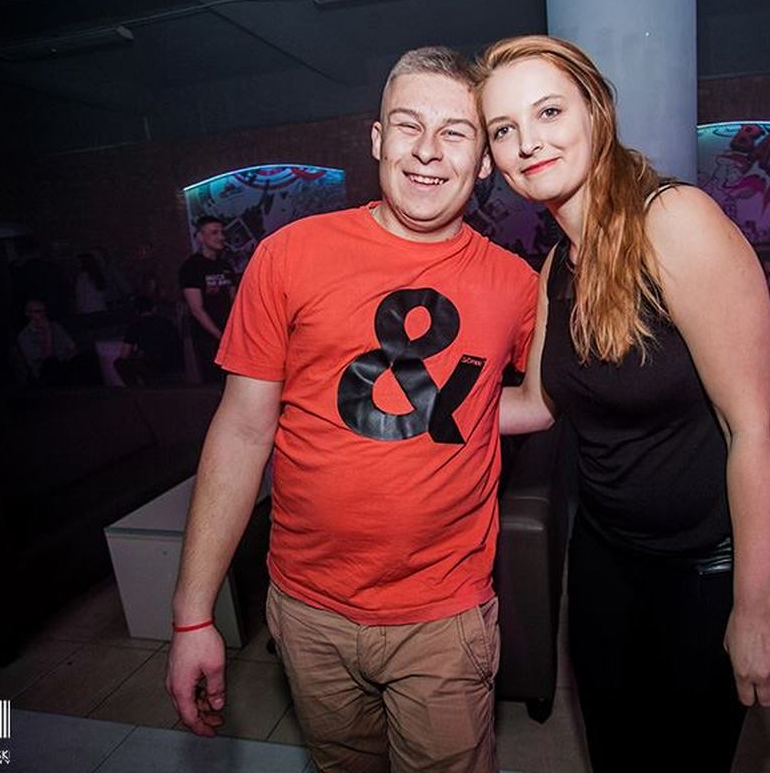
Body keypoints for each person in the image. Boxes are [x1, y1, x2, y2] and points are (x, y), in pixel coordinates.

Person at [166, 46, 538, 773]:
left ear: (485, 162)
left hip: (444, 617)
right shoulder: (289, 255)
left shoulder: (516, 284)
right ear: (377, 139)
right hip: (309, 612)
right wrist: (192, 614)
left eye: (456, 132)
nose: (427, 151)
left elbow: (546, 400)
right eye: (408, 125)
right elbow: (241, 431)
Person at [477, 35, 770, 771]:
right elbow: (538, 403)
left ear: (595, 110)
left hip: (704, 566)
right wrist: (417, 405)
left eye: (548, 112)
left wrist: (757, 607)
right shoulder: (557, 265)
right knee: (616, 754)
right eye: (504, 129)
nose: (528, 143)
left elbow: (754, 427)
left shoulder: (675, 222)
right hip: (605, 557)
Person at [178, 216, 236, 383]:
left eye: (222, 232)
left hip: (230, 335)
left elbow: (234, 301)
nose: (221, 237)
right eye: (214, 233)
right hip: (208, 338)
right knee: (215, 383)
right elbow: (196, 309)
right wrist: (220, 336)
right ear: (200, 237)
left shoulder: (225, 265)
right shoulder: (191, 267)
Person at [114, 296, 183, 386]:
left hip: (154, 366)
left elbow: (124, 355)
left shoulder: (135, 326)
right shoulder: (167, 322)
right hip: (175, 364)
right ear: (154, 308)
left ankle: (135, 389)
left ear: (136, 311)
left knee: (119, 363)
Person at [16, 298, 80, 383]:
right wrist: (48, 332)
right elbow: (45, 359)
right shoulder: (25, 336)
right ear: (28, 313)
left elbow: (73, 347)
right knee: (51, 364)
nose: (42, 314)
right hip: (44, 370)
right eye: (37, 311)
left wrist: (70, 356)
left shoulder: (56, 326)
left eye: (43, 311)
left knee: (85, 358)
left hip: (64, 363)